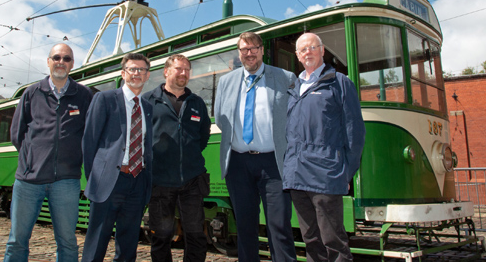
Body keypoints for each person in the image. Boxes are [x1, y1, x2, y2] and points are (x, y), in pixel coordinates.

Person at [4, 43, 93, 262]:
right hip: (28, 181)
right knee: (17, 241)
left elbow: (89, 134)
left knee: (67, 242)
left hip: (66, 181)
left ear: (72, 64)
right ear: (48, 61)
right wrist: (30, 160)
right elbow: (17, 133)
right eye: (56, 57)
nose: (61, 62)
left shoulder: (83, 95)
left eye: (66, 59)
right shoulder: (32, 93)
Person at [214, 31, 297, 262]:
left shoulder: (285, 77)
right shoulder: (226, 82)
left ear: (262, 50)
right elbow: (220, 118)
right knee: (245, 227)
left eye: (254, 48)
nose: (249, 53)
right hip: (239, 163)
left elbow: (296, 116)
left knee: (279, 226)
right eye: (244, 49)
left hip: (274, 163)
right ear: (239, 53)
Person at [283, 32, 366, 262]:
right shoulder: (293, 88)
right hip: (297, 175)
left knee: (334, 242)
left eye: (312, 47)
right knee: (311, 240)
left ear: (322, 50)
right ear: (298, 56)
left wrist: (344, 172)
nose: (307, 52)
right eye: (303, 50)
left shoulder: (339, 83)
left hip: (325, 174)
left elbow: (355, 133)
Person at [81, 53, 153, 262]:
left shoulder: (147, 107)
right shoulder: (104, 99)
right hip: (109, 182)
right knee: (97, 242)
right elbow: (89, 141)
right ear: (123, 73)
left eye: (142, 70)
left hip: (137, 182)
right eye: (132, 69)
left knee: (129, 243)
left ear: (148, 75)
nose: (137, 73)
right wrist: (96, 178)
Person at [142, 54, 211, 262]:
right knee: (161, 236)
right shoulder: (149, 100)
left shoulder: (197, 102)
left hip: (192, 180)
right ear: (166, 71)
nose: (183, 73)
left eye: (187, 70)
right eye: (179, 69)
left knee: (196, 235)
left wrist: (188, 155)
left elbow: (203, 135)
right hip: (161, 182)